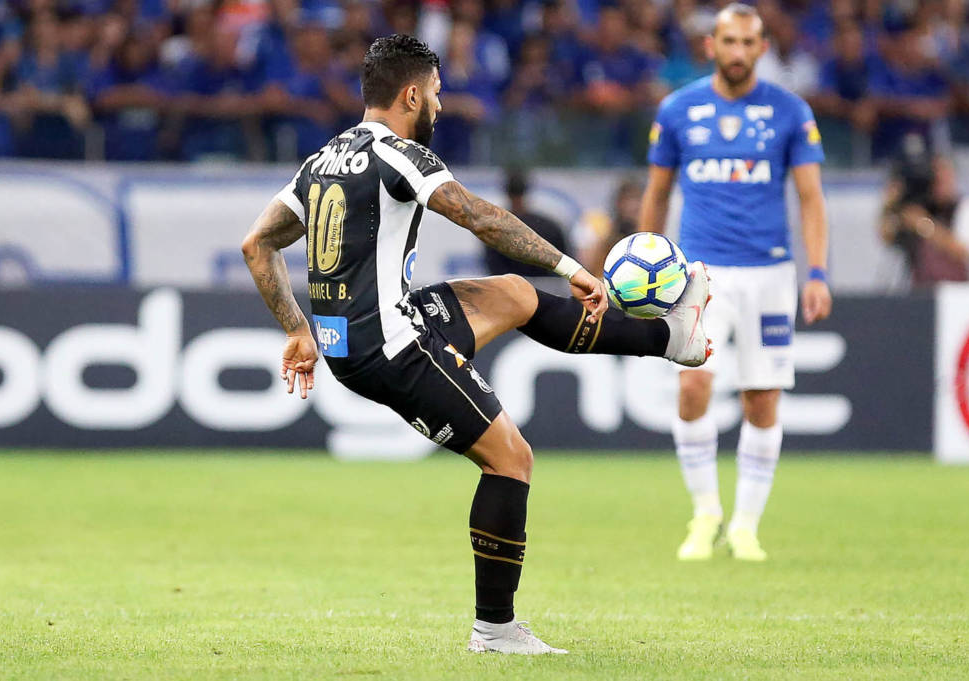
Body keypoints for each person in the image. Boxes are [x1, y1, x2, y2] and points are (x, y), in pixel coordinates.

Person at [242, 34, 712, 655]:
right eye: (437, 93)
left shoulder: (324, 158)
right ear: (412, 95)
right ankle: (495, 630)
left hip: (359, 335)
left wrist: (297, 329)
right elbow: (478, 215)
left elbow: (257, 243)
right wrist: (570, 266)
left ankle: (670, 338)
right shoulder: (401, 155)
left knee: (513, 295)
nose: (441, 105)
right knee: (511, 458)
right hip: (392, 346)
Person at [638, 4, 832, 562]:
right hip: (700, 275)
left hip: (770, 273)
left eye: (749, 42)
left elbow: (811, 198)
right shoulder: (678, 110)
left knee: (761, 398)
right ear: (711, 46)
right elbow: (656, 192)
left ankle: (746, 525)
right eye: (729, 41)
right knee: (692, 387)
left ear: (763, 48)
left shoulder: (791, 111)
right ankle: (705, 513)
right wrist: (645, 263)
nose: (739, 51)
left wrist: (817, 272)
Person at [879, 142, 969, 286]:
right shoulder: (919, 206)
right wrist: (890, 206)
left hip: (959, 292)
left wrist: (923, 224)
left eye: (945, 174)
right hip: (921, 290)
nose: (939, 179)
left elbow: (964, 252)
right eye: (935, 174)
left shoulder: (967, 206)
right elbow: (887, 237)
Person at [483, 169, 569, 278]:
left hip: (510, 287)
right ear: (526, 190)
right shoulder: (549, 227)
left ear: (506, 192)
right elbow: (563, 266)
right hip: (546, 287)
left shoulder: (495, 229)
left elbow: (494, 270)